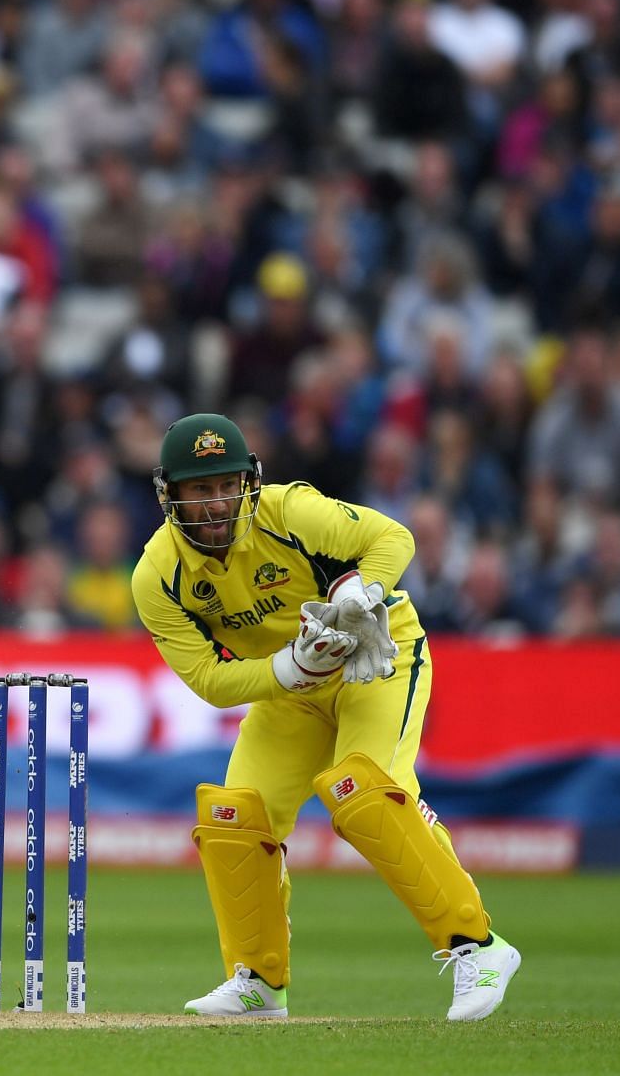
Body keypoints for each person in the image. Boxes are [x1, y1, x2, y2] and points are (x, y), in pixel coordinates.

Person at [129, 413, 520, 1021]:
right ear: (169, 496)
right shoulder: (158, 576)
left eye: (227, 484)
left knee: (363, 793)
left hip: (377, 661)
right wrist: (288, 670)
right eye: (199, 490)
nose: (217, 502)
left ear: (248, 482)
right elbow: (208, 679)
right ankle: (260, 981)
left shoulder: (288, 512)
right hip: (291, 693)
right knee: (234, 816)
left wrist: (361, 594)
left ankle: (477, 946)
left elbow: (393, 538)